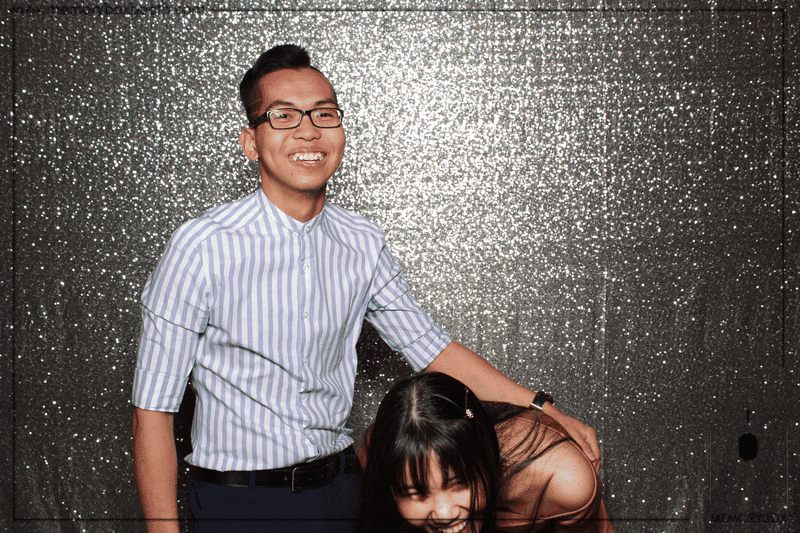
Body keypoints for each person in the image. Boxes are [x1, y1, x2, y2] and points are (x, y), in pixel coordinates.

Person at [131, 44, 602, 533]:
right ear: (251, 142)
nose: (308, 130)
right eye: (283, 116)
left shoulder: (362, 241)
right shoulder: (201, 247)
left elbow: (432, 349)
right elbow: (152, 412)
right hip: (240, 504)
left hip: (342, 493)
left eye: (323, 113)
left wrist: (540, 406)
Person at [358, 372, 613, 533]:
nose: (445, 514)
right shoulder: (378, 452)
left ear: (487, 454)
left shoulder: (564, 480)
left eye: (459, 483)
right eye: (417, 494)